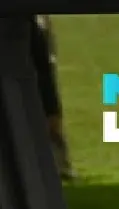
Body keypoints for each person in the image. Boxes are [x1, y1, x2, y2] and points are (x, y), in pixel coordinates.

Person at [30, 16, 71, 181]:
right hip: (32, 77)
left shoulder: (39, 24)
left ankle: (63, 166)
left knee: (53, 123)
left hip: (44, 77)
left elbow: (50, 51)